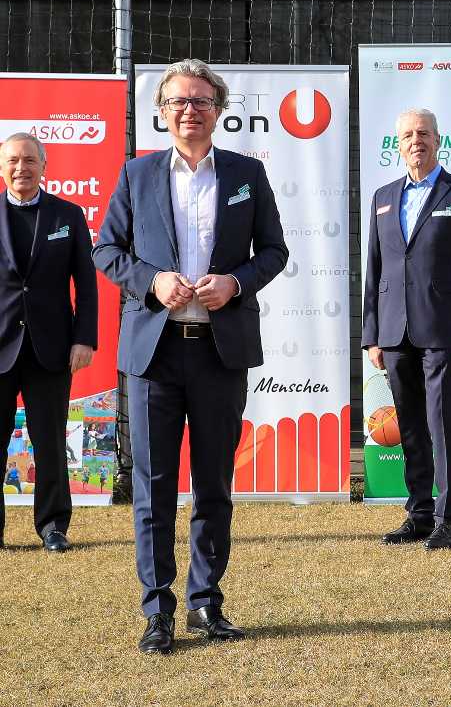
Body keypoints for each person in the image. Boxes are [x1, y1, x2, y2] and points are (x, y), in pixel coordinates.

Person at [93, 58, 288, 654]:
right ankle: (157, 610)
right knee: (153, 485)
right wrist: (151, 280)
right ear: (161, 111)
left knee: (214, 484)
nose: (189, 110)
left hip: (219, 353)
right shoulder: (137, 174)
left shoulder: (246, 174)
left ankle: (206, 603)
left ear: (218, 110)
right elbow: (106, 250)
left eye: (201, 100)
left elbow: (274, 251)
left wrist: (236, 283)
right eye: (178, 100)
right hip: (154, 354)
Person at [362, 108, 451, 550]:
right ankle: (417, 514)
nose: (417, 141)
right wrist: (371, 335)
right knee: (410, 426)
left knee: (444, 426)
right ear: (398, 145)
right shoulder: (382, 197)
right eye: (408, 135)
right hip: (394, 334)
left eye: (424, 134)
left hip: (443, 335)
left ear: (438, 140)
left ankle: (449, 517)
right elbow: (374, 269)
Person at [0, 132, 98, 552]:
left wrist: (85, 339)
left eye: (29, 160)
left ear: (44, 165)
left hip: (52, 349)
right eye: (13, 161)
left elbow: (87, 286)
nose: (21, 168)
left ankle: (53, 526)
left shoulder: (68, 215)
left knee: (51, 441)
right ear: (2, 167)